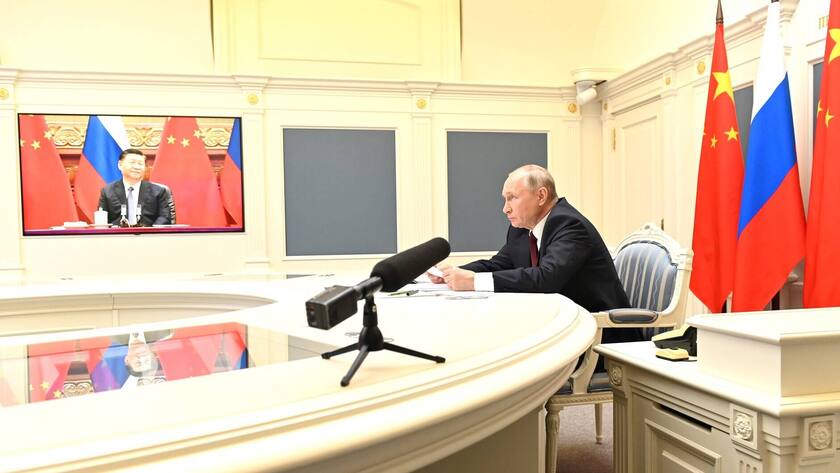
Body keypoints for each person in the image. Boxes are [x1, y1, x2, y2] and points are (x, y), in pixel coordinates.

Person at [430, 164, 641, 344]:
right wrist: (452, 274)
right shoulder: (522, 228)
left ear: (541, 195)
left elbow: (547, 278)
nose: (505, 209)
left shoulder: (569, 225)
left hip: (599, 336)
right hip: (560, 327)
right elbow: (499, 264)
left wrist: (474, 281)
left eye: (512, 198)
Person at [98, 148, 172, 226]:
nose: (137, 167)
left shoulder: (158, 191)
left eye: (140, 163)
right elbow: (103, 220)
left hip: (148, 235)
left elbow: (164, 217)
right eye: (132, 162)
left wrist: (151, 232)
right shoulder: (108, 191)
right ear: (120, 165)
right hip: (118, 236)